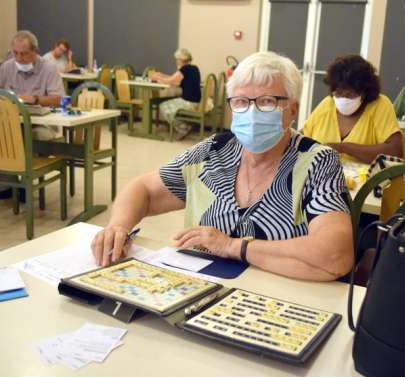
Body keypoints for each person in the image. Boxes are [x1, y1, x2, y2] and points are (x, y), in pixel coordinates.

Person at [91, 52, 353, 282]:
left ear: (293, 109)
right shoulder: (214, 151)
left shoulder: (317, 162)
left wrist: (233, 247)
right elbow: (144, 189)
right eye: (240, 102)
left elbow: (335, 254)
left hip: (278, 302)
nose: (251, 113)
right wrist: (118, 227)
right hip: (199, 295)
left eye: (266, 102)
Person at [0, 30, 65, 200]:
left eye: (24, 54)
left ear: (35, 51)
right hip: (11, 122)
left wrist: (35, 99)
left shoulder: (48, 68)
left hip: (41, 124)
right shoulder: (8, 66)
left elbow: (58, 99)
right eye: (15, 53)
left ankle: (26, 183)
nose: (19, 58)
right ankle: (8, 182)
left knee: (32, 136)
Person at [302, 55, 405, 164]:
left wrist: (345, 148)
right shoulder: (328, 104)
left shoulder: (379, 106)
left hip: (367, 180)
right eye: (338, 93)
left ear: (365, 92)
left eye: (350, 94)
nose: (344, 99)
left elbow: (395, 151)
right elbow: (302, 137)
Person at [149, 48, 202, 139]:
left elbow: (170, 81)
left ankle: (183, 128)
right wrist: (161, 75)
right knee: (168, 103)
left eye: (177, 59)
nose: (176, 62)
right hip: (196, 100)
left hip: (189, 101)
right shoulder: (194, 68)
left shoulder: (184, 69)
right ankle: (184, 126)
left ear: (181, 60)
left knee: (163, 106)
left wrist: (157, 78)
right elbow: (174, 78)